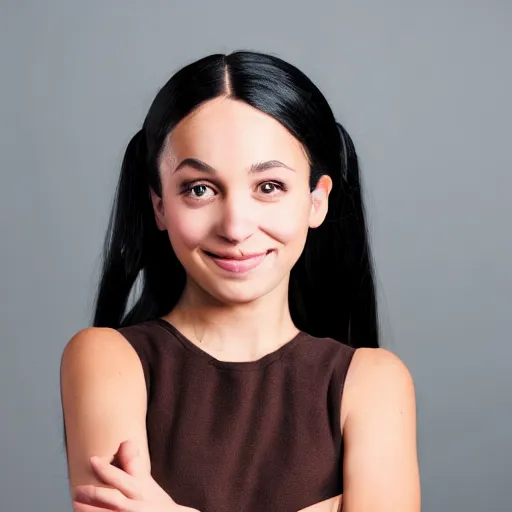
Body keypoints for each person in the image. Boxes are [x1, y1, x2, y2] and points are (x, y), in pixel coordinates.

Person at [60, 50, 421, 512]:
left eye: (269, 187)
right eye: (199, 189)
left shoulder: (374, 382)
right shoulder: (106, 359)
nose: (234, 226)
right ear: (158, 205)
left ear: (316, 201)